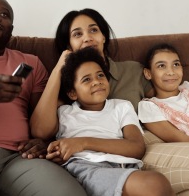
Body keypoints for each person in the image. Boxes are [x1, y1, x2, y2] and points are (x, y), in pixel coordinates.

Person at [0, 0, 86, 196]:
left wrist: (43, 141)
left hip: (20, 157)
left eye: (4, 14)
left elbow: (44, 118)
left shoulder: (31, 63)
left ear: (11, 29)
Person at [46, 47, 175, 196]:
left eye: (100, 75)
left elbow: (137, 148)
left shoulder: (121, 106)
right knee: (155, 184)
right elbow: (41, 132)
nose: (97, 82)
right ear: (72, 93)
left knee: (156, 184)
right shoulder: (64, 112)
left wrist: (83, 142)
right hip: (87, 168)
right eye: (86, 79)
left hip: (125, 166)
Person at [30, 8, 153, 140]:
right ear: (69, 46)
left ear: (104, 37)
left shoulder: (133, 70)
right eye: (77, 34)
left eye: (94, 30)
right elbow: (40, 132)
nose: (88, 38)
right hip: (84, 155)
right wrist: (58, 68)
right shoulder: (66, 85)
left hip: (139, 143)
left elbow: (166, 101)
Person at [138, 43, 189, 142]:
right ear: (148, 73)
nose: (171, 72)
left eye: (176, 64)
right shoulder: (149, 107)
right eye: (161, 66)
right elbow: (185, 142)